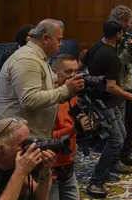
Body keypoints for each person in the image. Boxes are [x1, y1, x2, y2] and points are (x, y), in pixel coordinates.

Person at [0, 19, 84, 138]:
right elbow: (29, 99)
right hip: (15, 138)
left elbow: (47, 89)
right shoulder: (27, 59)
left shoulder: (39, 58)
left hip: (29, 135)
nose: (61, 44)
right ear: (46, 38)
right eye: (59, 40)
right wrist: (65, 90)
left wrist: (66, 84)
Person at [81, 20, 132, 196]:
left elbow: (84, 68)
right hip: (105, 103)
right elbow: (110, 86)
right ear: (119, 34)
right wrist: (129, 95)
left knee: (122, 134)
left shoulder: (95, 48)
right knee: (116, 140)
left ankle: (108, 169)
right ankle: (95, 180)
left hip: (104, 101)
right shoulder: (112, 57)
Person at [108, 5, 132, 167]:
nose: (129, 24)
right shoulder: (113, 38)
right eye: (125, 21)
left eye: (130, 21)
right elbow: (117, 63)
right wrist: (128, 49)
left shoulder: (128, 37)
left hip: (128, 83)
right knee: (120, 126)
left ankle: (126, 153)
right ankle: (116, 159)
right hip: (117, 87)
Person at [49, 55, 92, 200]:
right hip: (50, 166)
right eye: (68, 72)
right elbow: (45, 137)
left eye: (75, 71)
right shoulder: (48, 98)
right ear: (54, 71)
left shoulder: (73, 95)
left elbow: (73, 124)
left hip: (69, 162)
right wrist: (74, 129)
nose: (73, 76)